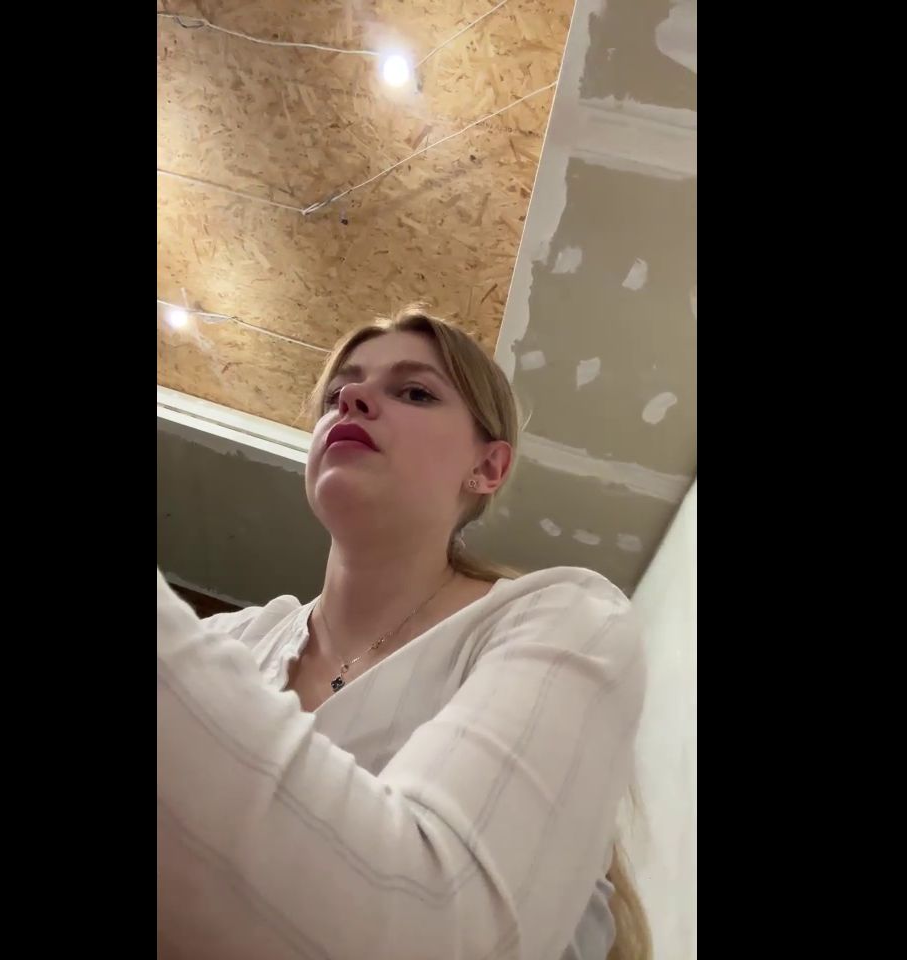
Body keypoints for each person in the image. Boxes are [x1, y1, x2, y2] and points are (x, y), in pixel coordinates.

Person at [157, 305, 651, 960]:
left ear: (488, 467)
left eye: (414, 392)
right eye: (337, 394)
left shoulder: (564, 620)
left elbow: (443, 930)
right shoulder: (232, 641)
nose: (351, 400)